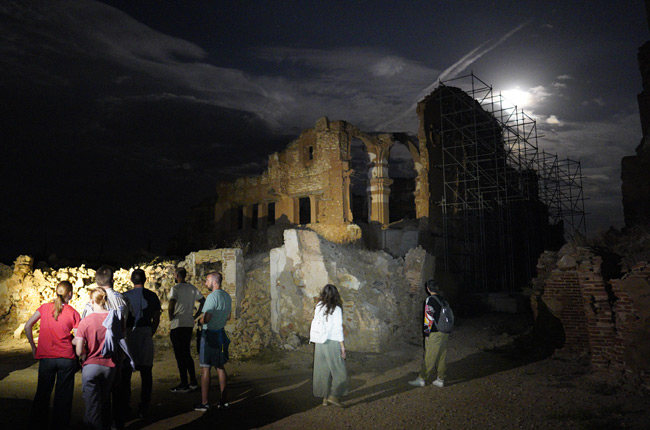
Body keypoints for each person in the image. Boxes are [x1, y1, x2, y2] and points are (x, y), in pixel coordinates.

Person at [77, 265, 133, 430]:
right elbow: (127, 325)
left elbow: (85, 329)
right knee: (120, 392)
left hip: (96, 356)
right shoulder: (123, 300)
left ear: (96, 282)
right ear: (112, 280)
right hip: (118, 354)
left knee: (99, 399)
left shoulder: (90, 304)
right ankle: (119, 423)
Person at [25, 281, 81, 430]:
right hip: (66, 358)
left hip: (46, 358)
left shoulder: (44, 308)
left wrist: (33, 346)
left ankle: (37, 424)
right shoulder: (73, 313)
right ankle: (60, 425)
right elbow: (77, 338)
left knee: (42, 393)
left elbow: (27, 325)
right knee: (63, 396)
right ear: (70, 294)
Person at [120, 268, 161, 419]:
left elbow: (121, 318)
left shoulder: (124, 296)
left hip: (129, 333)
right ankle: (144, 406)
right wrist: (151, 332)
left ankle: (125, 406)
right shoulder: (152, 296)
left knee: (126, 373)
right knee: (146, 371)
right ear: (144, 279)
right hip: (145, 332)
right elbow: (156, 318)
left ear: (131, 280)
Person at [75, 288, 118, 430]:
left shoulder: (86, 321)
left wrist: (83, 353)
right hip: (109, 366)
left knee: (92, 406)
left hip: (91, 366)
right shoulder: (113, 318)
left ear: (92, 301)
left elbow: (79, 350)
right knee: (104, 401)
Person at [194, 272, 231, 411]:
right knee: (220, 366)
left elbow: (207, 318)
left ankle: (205, 402)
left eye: (207, 280)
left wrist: (200, 320)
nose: (205, 283)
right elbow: (228, 317)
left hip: (208, 336)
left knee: (205, 368)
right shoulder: (227, 296)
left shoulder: (211, 297)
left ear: (215, 282)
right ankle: (224, 400)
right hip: (220, 334)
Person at [309, 284, 348, 408]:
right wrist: (342, 347)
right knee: (339, 371)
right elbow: (337, 329)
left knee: (322, 371)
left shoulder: (319, 306)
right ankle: (333, 395)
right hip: (331, 342)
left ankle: (324, 398)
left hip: (320, 342)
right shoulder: (336, 309)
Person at [168, 267, 205, 393]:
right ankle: (193, 381)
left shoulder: (175, 288)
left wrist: (171, 317)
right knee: (187, 353)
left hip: (178, 323)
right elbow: (203, 301)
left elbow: (171, 303)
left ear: (177, 275)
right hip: (189, 323)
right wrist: (196, 315)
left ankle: (184, 383)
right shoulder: (192, 288)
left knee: (179, 355)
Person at [409, 279, 449, 388]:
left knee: (430, 356)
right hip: (445, 331)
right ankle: (440, 379)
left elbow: (428, 318)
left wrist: (426, 333)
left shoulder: (430, 300)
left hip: (435, 332)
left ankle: (422, 379)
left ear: (428, 289)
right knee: (441, 355)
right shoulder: (443, 299)